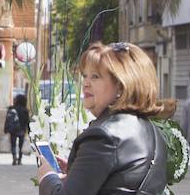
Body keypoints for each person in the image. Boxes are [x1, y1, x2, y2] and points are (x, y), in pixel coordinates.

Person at [37, 42, 168, 195]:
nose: (86, 83)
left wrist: (47, 176)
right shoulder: (152, 131)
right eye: (85, 76)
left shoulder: (103, 136)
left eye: (95, 77)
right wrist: (79, 170)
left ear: (121, 85)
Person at [5, 93, 30, 165]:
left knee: (13, 144)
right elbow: (27, 121)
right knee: (20, 145)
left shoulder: (11, 109)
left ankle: (14, 158)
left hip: (13, 129)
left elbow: (8, 119)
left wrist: (6, 129)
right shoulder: (25, 110)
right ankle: (19, 159)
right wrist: (28, 130)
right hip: (22, 129)